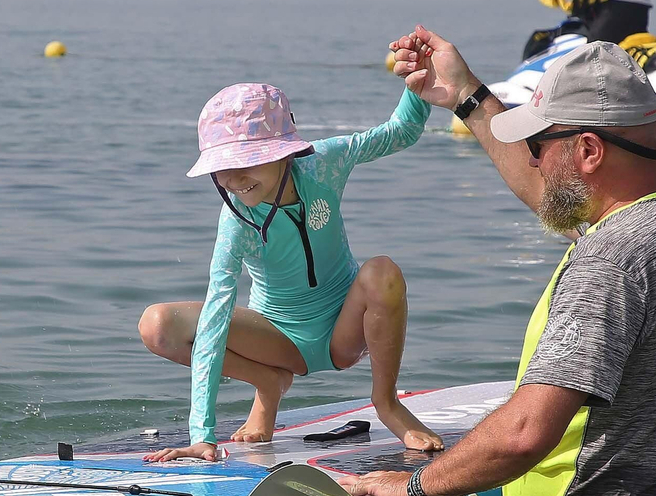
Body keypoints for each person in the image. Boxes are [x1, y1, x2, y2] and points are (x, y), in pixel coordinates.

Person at [347, 29, 656, 496]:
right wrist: (465, 96)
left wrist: (416, 486)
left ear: (589, 152)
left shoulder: (611, 258)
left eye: (539, 143)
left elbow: (526, 433)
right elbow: (549, 191)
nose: (530, 157)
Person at [140, 80, 444, 463]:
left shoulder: (325, 165)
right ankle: (267, 382)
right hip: (277, 341)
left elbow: (399, 132)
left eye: (245, 162)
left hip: (343, 333)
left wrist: (417, 84)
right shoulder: (236, 224)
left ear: (283, 153)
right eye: (222, 168)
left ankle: (386, 403)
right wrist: (202, 434)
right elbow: (216, 316)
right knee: (157, 325)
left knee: (382, 272)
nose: (233, 180)